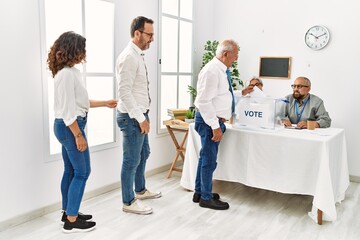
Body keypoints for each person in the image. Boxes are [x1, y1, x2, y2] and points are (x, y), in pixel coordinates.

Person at [48, 31, 117, 233]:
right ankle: (71, 220)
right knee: (82, 172)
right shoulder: (67, 75)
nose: (84, 52)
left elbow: (80, 103)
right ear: (74, 49)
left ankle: (68, 211)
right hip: (71, 127)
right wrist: (78, 135)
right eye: (82, 48)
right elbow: (70, 111)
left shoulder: (68, 72)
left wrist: (105, 103)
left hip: (65, 126)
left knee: (70, 171)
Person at [116, 16, 161, 215]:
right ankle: (128, 201)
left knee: (144, 153)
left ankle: (140, 190)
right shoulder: (129, 57)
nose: (152, 38)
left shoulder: (138, 55)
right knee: (131, 160)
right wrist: (141, 119)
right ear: (137, 33)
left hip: (141, 114)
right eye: (149, 34)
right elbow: (124, 92)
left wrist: (144, 116)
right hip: (132, 117)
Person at [193, 39, 239, 210]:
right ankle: (206, 197)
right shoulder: (212, 71)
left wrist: (243, 92)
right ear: (226, 54)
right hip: (209, 121)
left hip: (212, 120)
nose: (236, 59)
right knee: (209, 161)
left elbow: (221, 95)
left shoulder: (221, 70)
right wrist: (215, 126)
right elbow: (203, 101)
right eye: (235, 56)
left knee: (205, 157)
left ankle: (199, 192)